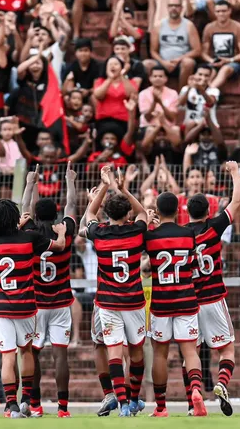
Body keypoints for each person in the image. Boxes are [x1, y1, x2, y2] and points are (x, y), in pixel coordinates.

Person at [0, 198, 66, 418]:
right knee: (26, 350)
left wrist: (14, 225)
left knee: (7, 357)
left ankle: (11, 405)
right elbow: (59, 246)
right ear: (15, 218)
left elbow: (4, 234)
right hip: (27, 306)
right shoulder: (30, 238)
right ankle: (27, 399)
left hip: (1, 307)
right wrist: (63, 233)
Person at [83, 165, 148, 417]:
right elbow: (142, 212)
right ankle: (133, 400)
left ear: (105, 213)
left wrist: (105, 186)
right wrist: (123, 189)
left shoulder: (99, 234)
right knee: (136, 351)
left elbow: (89, 212)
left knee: (113, 350)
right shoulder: (136, 231)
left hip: (108, 302)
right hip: (133, 301)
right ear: (127, 213)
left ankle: (121, 404)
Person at [186, 160, 240, 416]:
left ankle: (195, 393)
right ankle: (221, 383)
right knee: (227, 349)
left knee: (192, 352)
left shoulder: (180, 234)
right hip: (213, 298)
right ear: (208, 210)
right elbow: (238, 202)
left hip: (189, 301)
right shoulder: (214, 227)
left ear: (186, 211)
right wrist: (234, 173)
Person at [21, 164, 77, 418]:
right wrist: (70, 180)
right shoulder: (62, 231)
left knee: (34, 353)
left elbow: (24, 210)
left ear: (35, 214)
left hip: (36, 304)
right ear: (55, 215)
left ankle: (35, 404)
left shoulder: (29, 234)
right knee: (60, 355)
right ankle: (63, 408)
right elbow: (72, 208)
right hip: (61, 302)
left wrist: (30, 183)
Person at [145, 192, 207, 417]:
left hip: (161, 302)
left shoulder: (150, 237)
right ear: (178, 210)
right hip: (186, 298)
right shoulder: (189, 234)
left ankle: (161, 407)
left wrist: (150, 224)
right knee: (190, 351)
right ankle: (196, 392)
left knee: (160, 354)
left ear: (158, 211)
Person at [146, 0, 201, 88]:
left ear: (181, 8)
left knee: (188, 63)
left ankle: (182, 96)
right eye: (171, 6)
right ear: (167, 7)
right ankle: (152, 94)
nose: (174, 8)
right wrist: (164, 62)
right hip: (162, 62)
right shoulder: (159, 25)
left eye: (177, 6)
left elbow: (197, 50)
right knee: (147, 64)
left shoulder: (189, 25)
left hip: (181, 63)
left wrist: (179, 59)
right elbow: (153, 51)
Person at [201, 0, 240, 91]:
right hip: (215, 61)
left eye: (224, 11)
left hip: (234, 62)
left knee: (225, 69)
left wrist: (228, 60)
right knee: (207, 71)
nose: (221, 14)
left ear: (229, 11)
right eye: (218, 11)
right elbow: (203, 52)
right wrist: (211, 60)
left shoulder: (238, 27)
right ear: (215, 13)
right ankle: (199, 93)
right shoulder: (209, 27)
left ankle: (209, 91)